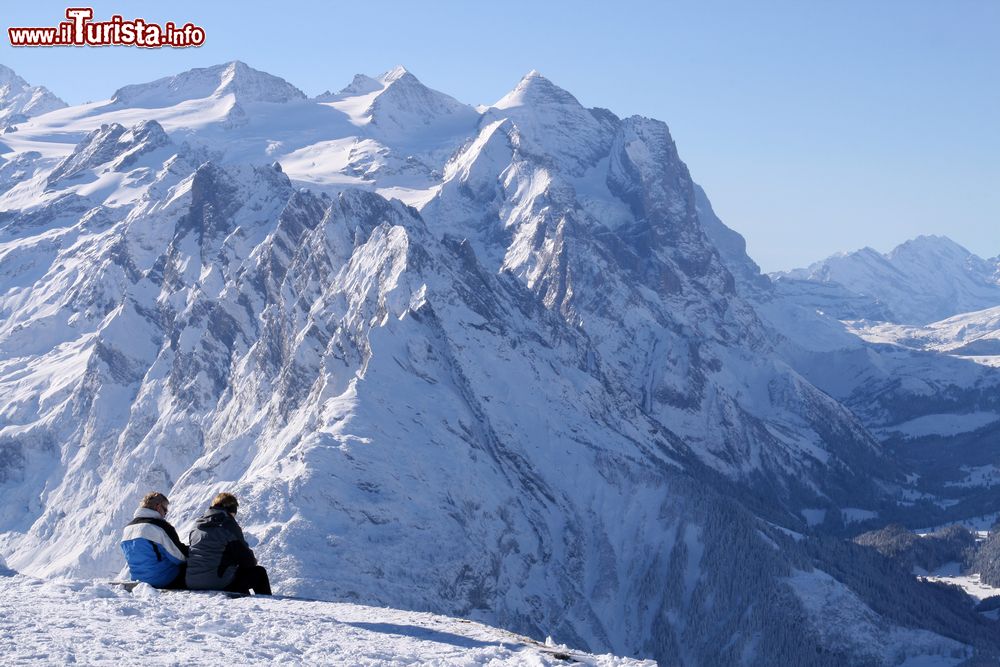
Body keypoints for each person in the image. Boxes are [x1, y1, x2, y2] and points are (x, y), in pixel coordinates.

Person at [185, 492, 271, 595]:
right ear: (232, 510)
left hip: (192, 582)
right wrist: (251, 560)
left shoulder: (196, 525)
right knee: (259, 573)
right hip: (217, 583)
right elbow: (247, 560)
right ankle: (268, 605)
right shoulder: (228, 525)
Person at [120, 491, 189, 589]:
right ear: (158, 507)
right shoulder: (160, 527)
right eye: (165, 510)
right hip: (163, 579)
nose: (165, 514)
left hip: (138, 580)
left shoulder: (127, 528)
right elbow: (180, 557)